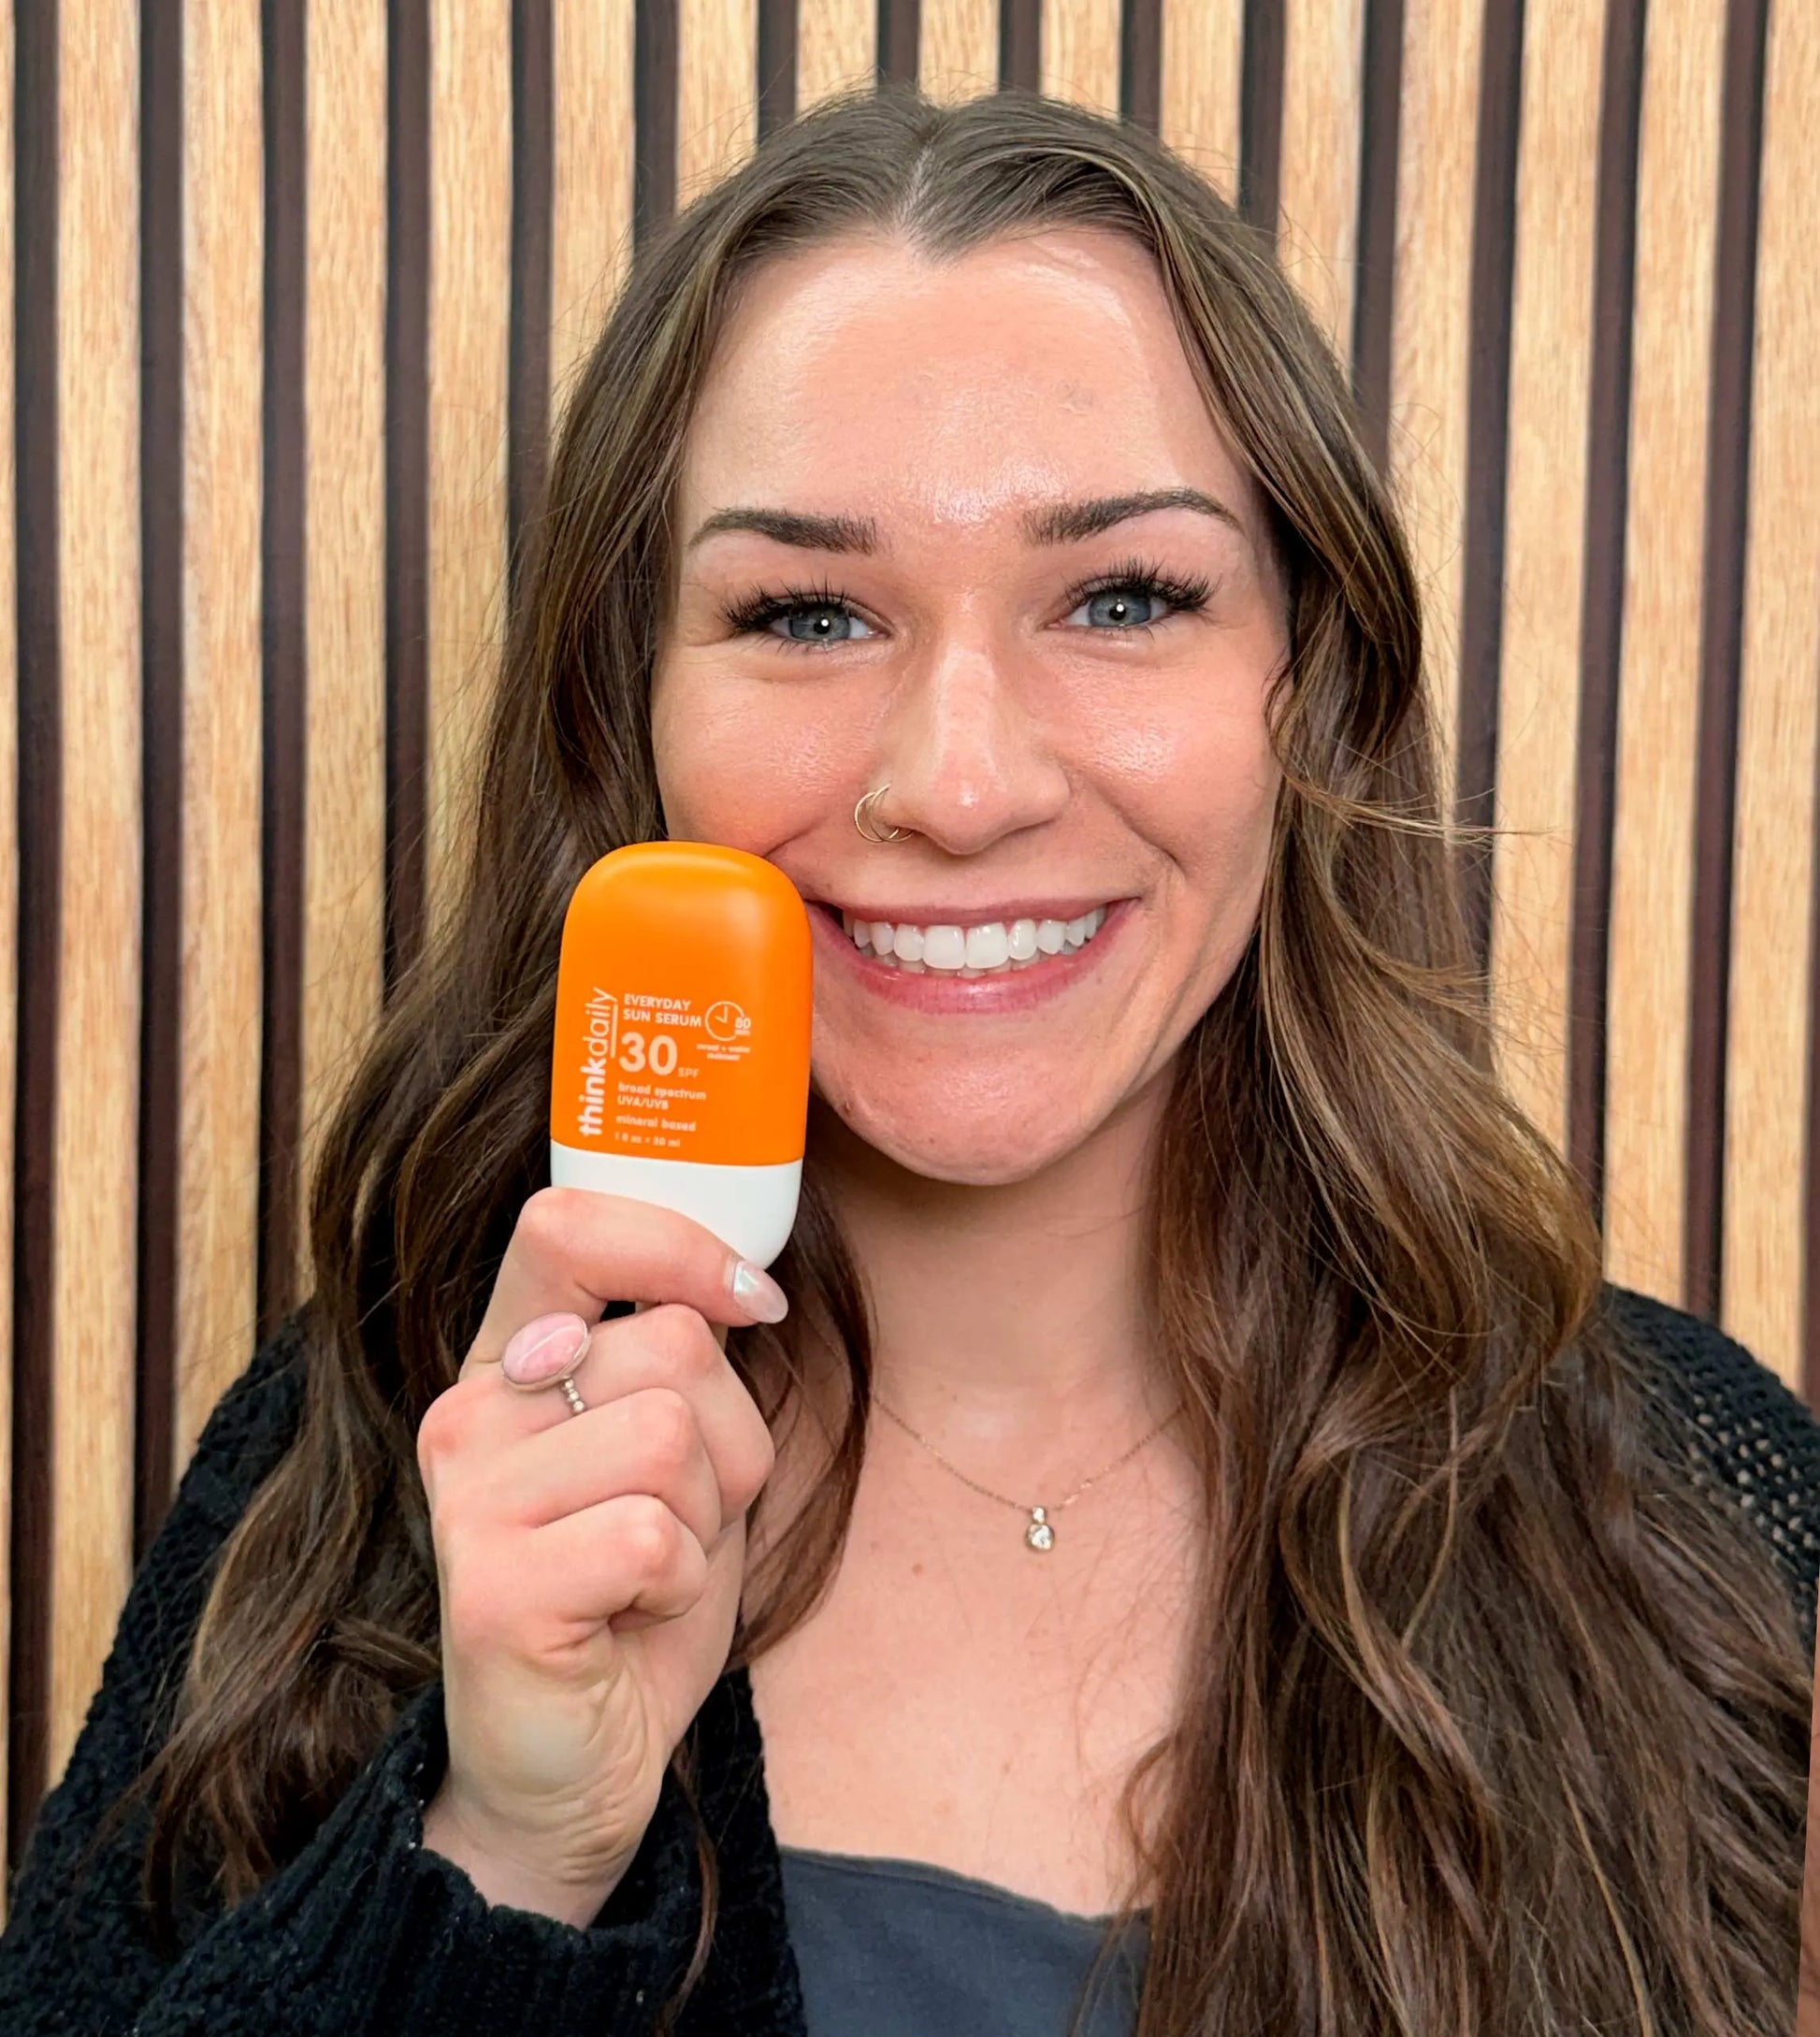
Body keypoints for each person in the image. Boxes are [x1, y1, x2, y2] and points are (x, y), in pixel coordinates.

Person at [2, 83, 1814, 2037]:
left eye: (1122, 597)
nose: (955, 786)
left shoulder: (1694, 1505)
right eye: (804, 611)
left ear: (1314, 692)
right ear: (636, 719)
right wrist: (511, 1851)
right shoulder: (356, 1480)